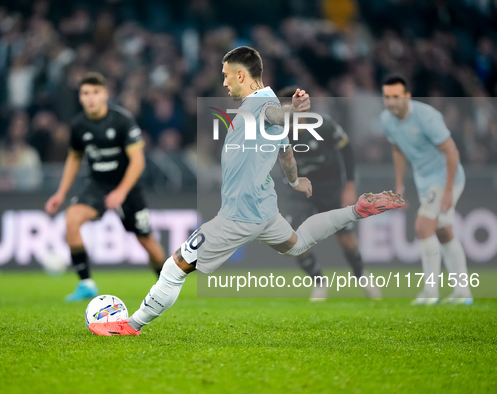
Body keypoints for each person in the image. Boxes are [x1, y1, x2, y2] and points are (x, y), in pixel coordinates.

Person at [88, 47, 404, 336]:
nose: (224, 83)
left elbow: (276, 115)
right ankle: (356, 211)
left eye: (226, 76)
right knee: (297, 244)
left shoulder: (261, 105)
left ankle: (130, 326)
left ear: (242, 75)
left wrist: (291, 111)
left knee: (175, 266)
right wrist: (294, 181)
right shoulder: (258, 107)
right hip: (266, 207)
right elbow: (286, 153)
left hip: (240, 213)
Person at [45, 72, 166, 302]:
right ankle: (86, 284)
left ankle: (166, 283)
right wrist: (60, 193)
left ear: (105, 95)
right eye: (85, 93)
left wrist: (121, 191)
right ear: (80, 97)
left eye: (95, 92)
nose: (90, 98)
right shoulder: (79, 125)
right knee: (72, 219)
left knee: (146, 239)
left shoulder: (122, 120)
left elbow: (138, 161)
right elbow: (74, 158)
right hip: (98, 184)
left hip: (127, 187)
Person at [276, 87, 379, 301]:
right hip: (298, 191)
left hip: (330, 187)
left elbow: (347, 150)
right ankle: (319, 282)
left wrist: (349, 185)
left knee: (347, 240)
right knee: (293, 241)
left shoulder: (324, 126)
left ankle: (361, 276)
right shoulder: (277, 133)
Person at [380, 74, 472, 305]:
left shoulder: (427, 117)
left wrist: (449, 190)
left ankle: (430, 292)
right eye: (387, 97)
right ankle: (463, 293)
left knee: (422, 227)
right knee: (444, 231)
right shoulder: (387, 119)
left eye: (396, 97)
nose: (391, 102)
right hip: (425, 181)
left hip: (445, 178)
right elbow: (398, 150)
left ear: (407, 97)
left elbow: (451, 152)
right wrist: (399, 185)